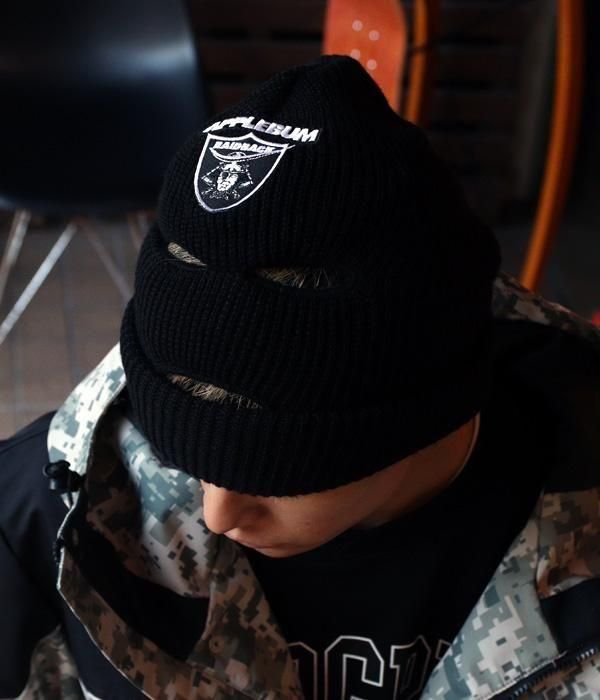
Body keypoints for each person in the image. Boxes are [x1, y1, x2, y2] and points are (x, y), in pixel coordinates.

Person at [1, 55, 599, 700]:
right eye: (185, 455)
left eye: (272, 473)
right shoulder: (49, 517)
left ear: (423, 408)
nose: (218, 513)